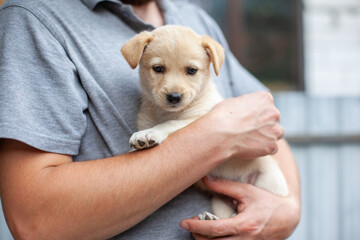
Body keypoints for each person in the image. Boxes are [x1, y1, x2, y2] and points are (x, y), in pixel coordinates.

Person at [0, 0, 301, 239]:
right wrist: (216, 134)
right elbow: (35, 223)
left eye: (190, 71)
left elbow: (267, 123)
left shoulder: (196, 20)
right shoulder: (35, 18)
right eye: (158, 69)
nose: (174, 88)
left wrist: (288, 211)